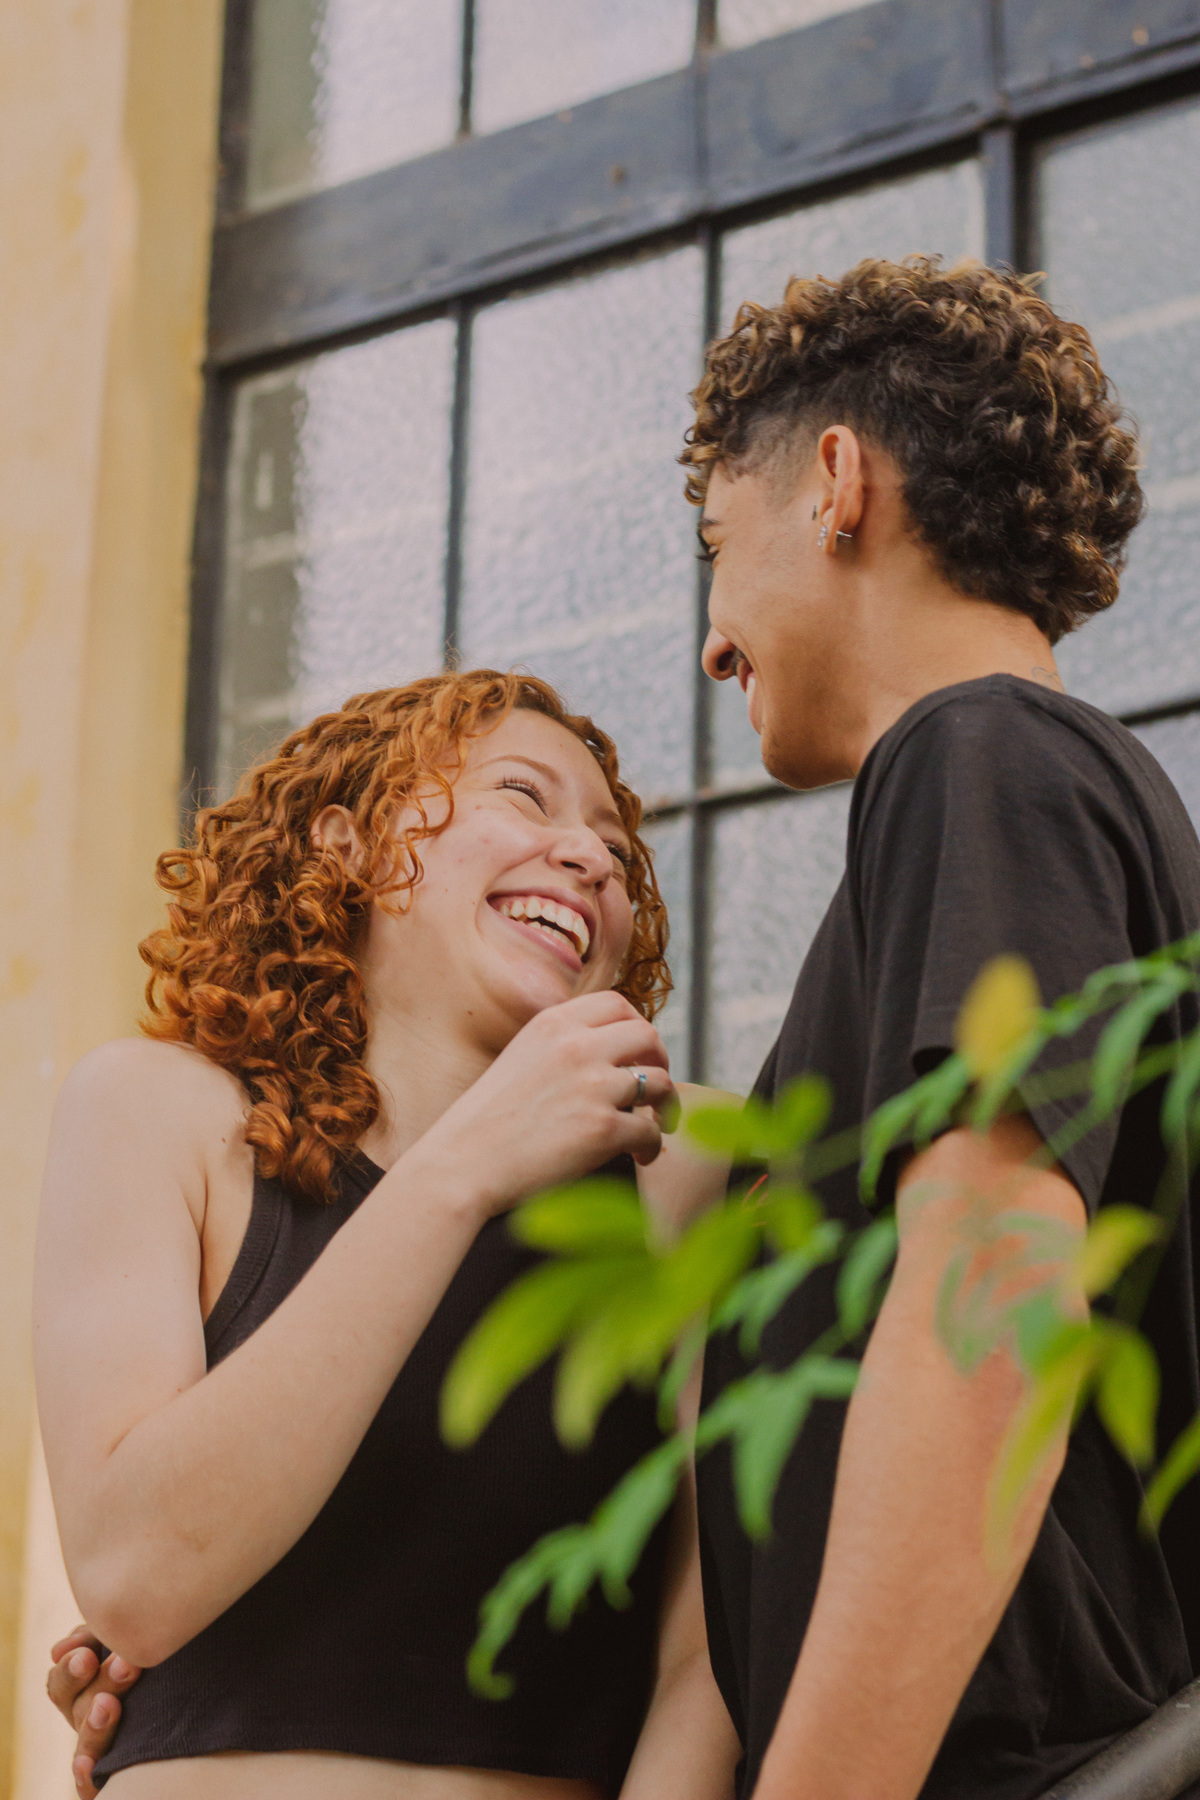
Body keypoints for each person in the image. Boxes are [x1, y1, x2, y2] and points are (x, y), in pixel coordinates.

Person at [36, 670, 741, 1798]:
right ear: (348, 847)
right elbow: (134, 1576)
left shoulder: (684, 1173)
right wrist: (464, 1166)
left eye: (615, 848)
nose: (593, 858)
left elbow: (710, 1657)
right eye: (524, 795)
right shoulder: (155, 1111)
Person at [687, 256, 1200, 1798]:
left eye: (715, 545)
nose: (713, 644)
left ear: (836, 483)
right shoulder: (1038, 797)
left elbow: (992, 1317)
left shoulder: (979, 755)